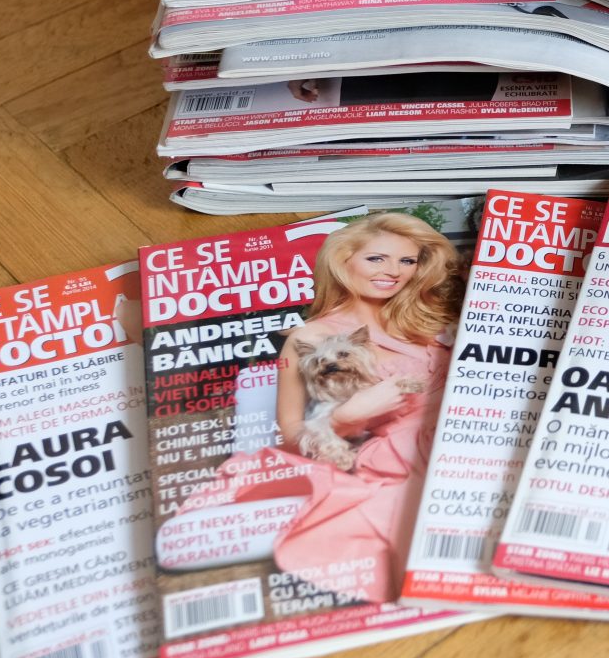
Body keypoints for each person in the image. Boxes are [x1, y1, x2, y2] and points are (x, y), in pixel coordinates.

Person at [169, 212, 461, 604]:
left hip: (468, 419)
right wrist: (348, 416)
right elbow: (291, 437)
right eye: (377, 258)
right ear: (343, 261)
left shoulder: (427, 315)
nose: (394, 271)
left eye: (406, 261)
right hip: (403, 450)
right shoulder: (309, 337)